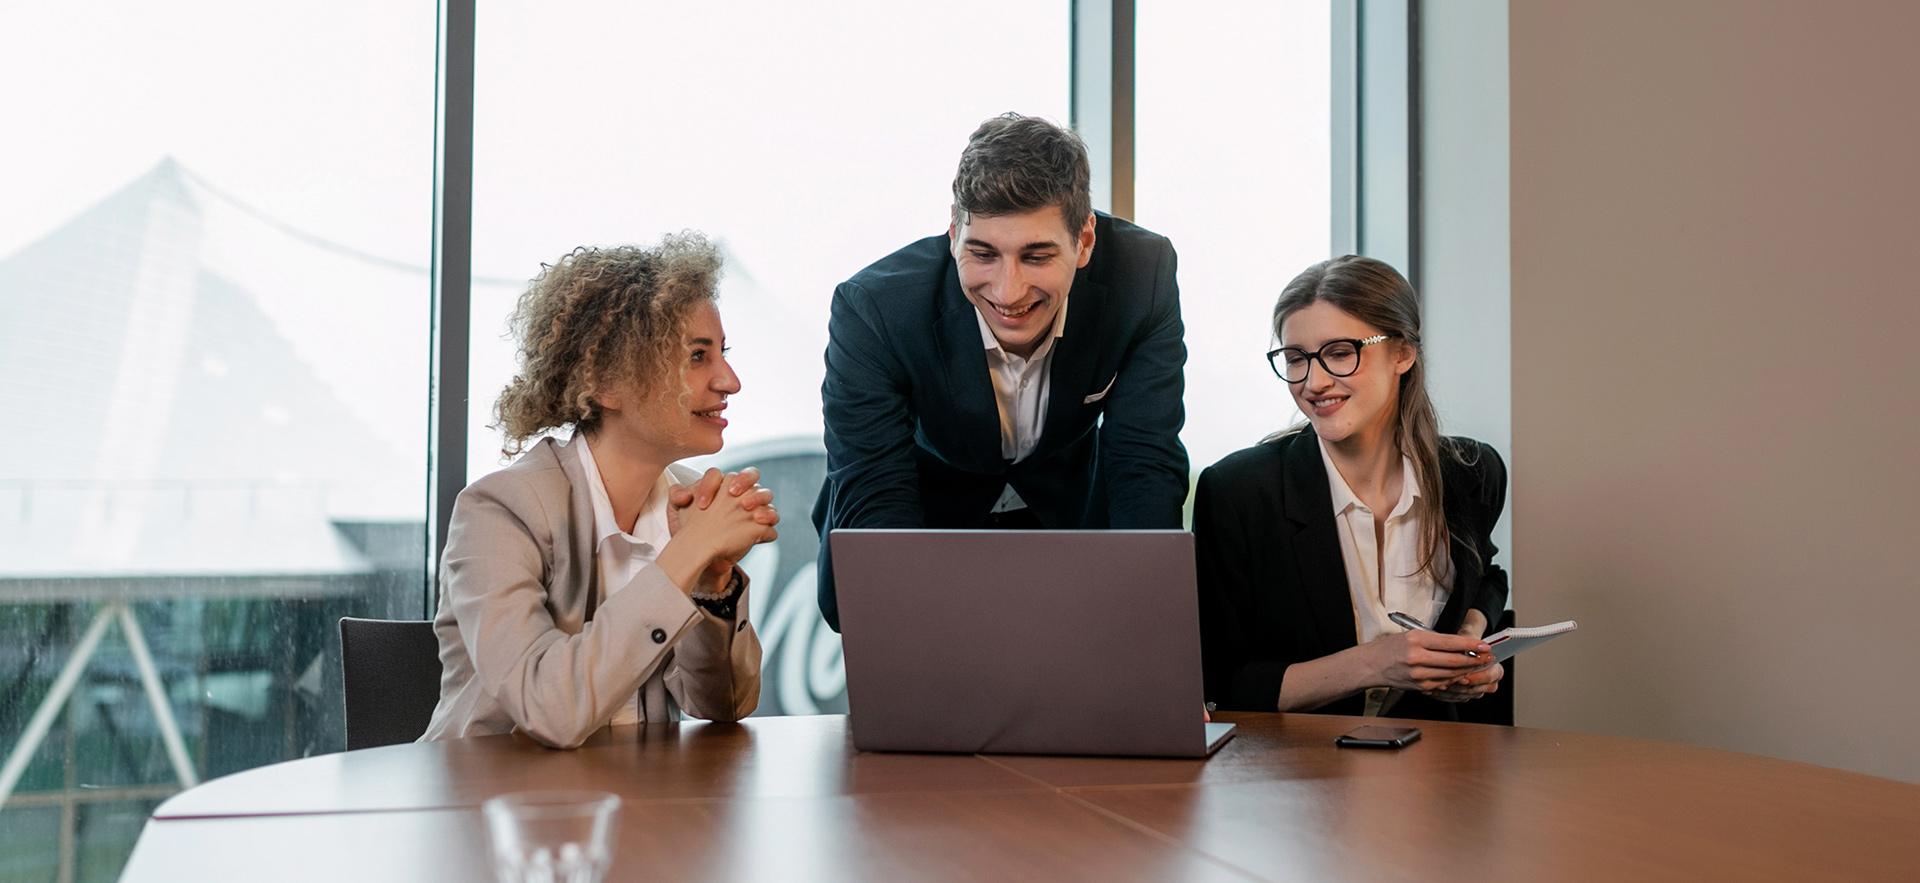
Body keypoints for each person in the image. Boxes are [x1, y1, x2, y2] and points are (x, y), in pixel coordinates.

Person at [813, 113, 1189, 630]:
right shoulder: (875, 309)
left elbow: (1143, 462)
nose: (1008, 291)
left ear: (1084, 241)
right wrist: (895, 628)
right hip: (926, 517)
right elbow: (874, 487)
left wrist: (1151, 630)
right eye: (983, 253)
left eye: (1036, 256)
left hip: (1069, 517)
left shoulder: (1140, 278)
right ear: (953, 232)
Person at [422, 233, 776, 748]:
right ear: (606, 382)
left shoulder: (687, 501)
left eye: (722, 352)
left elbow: (725, 706)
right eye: (698, 356)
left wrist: (715, 582)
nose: (729, 380)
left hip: (635, 814)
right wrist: (690, 552)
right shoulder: (498, 512)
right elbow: (551, 710)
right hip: (490, 814)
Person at [1195, 255, 1509, 720]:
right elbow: (1219, 686)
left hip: (1434, 771)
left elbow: (1487, 575)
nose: (1313, 382)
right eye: (1296, 358)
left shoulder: (1471, 472)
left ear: (1402, 353)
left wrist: (1466, 646)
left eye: (1340, 353)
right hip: (1293, 781)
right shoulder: (1238, 492)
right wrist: (1375, 663)